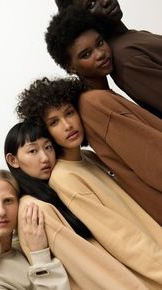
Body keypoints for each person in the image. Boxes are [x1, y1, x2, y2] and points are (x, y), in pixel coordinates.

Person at [16, 76, 162, 289]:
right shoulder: (64, 178)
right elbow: (121, 238)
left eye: (69, 113)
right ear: (45, 131)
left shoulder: (88, 157)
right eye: (54, 122)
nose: (67, 125)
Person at [45, 7, 162, 225]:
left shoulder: (100, 97)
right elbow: (154, 160)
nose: (100, 54)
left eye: (99, 43)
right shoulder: (95, 104)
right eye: (86, 54)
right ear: (71, 67)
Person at [54, 0, 162, 118]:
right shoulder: (125, 57)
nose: (106, 0)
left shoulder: (128, 38)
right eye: (91, 4)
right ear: (81, 17)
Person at [0, 169, 71, 290]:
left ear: (20, 204)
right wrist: (40, 255)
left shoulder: (25, 248)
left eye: (8, 201)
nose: (1, 211)